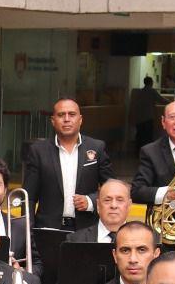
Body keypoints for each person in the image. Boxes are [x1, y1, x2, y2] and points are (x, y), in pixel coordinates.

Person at [24, 99, 111, 233]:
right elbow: (28, 197)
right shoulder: (38, 151)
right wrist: (28, 231)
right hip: (47, 230)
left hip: (87, 229)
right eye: (61, 115)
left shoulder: (96, 147)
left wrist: (91, 201)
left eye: (71, 114)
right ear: (53, 121)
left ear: (80, 119)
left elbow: (111, 187)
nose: (66, 119)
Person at [71, 178, 133, 244]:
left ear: (129, 205)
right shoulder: (74, 241)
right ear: (98, 205)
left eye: (120, 200)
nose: (113, 205)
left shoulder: (143, 239)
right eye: (107, 200)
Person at [127, 75, 163, 150]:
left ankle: (137, 151)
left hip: (139, 118)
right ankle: (147, 152)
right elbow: (161, 99)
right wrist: (172, 102)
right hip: (148, 117)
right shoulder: (152, 91)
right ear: (151, 83)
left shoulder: (139, 92)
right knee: (148, 137)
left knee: (139, 136)